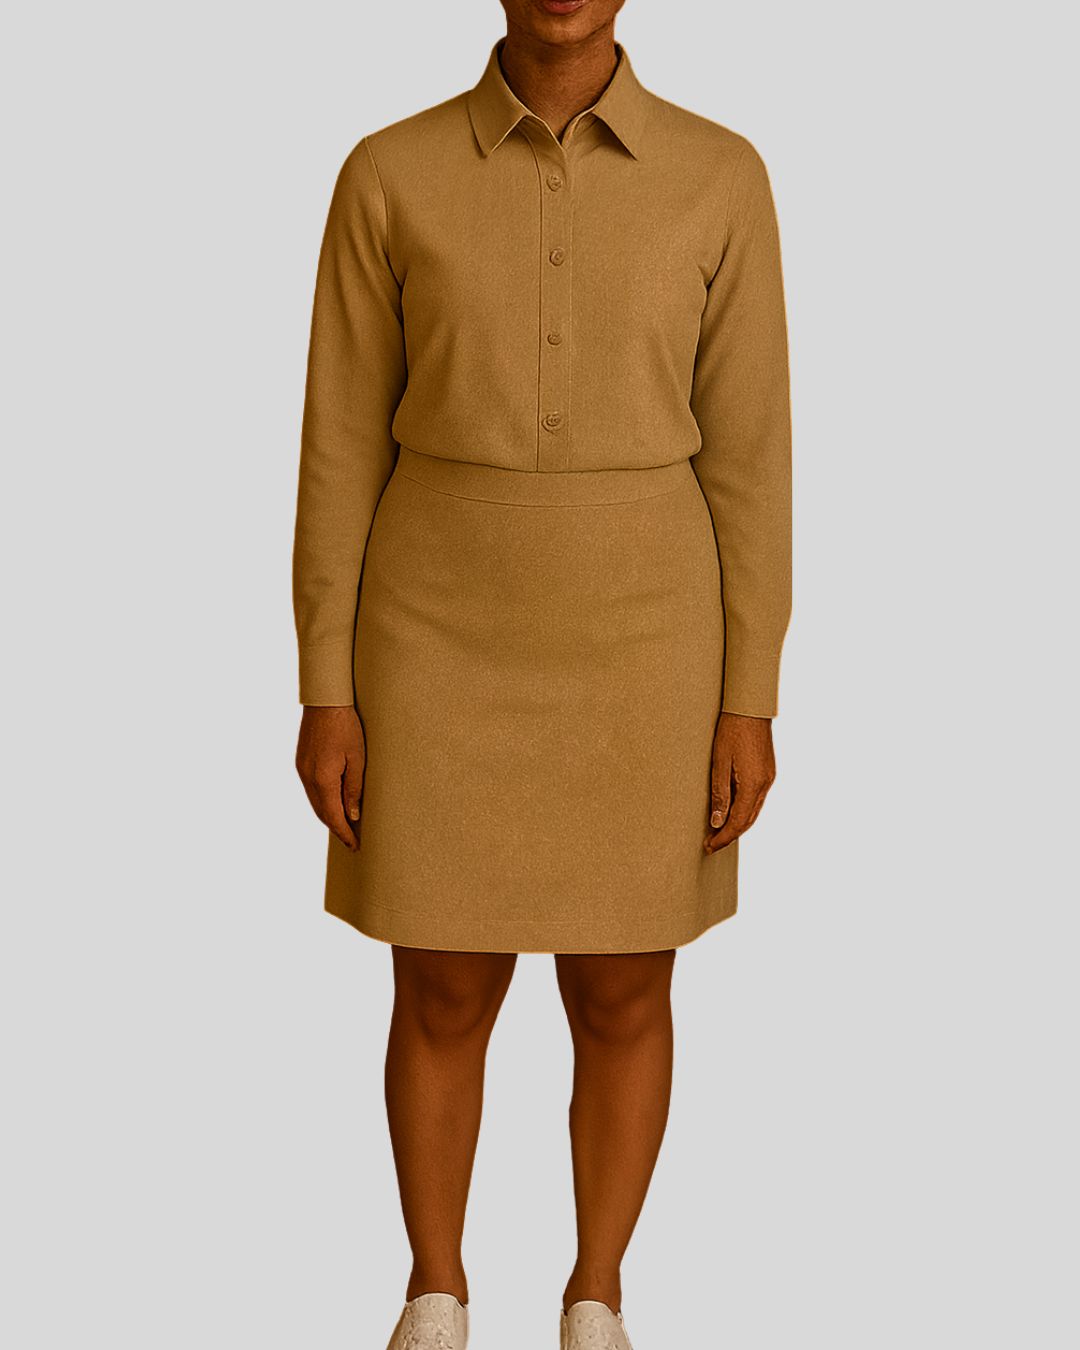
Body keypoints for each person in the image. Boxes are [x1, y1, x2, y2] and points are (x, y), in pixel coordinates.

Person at [292, 1, 791, 1345]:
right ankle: (435, 1291)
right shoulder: (387, 173)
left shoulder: (723, 176)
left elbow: (753, 457)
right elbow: (338, 443)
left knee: (624, 985)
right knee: (441, 980)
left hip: (648, 640)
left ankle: (597, 1296)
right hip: (432, 633)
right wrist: (325, 681)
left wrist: (750, 693)